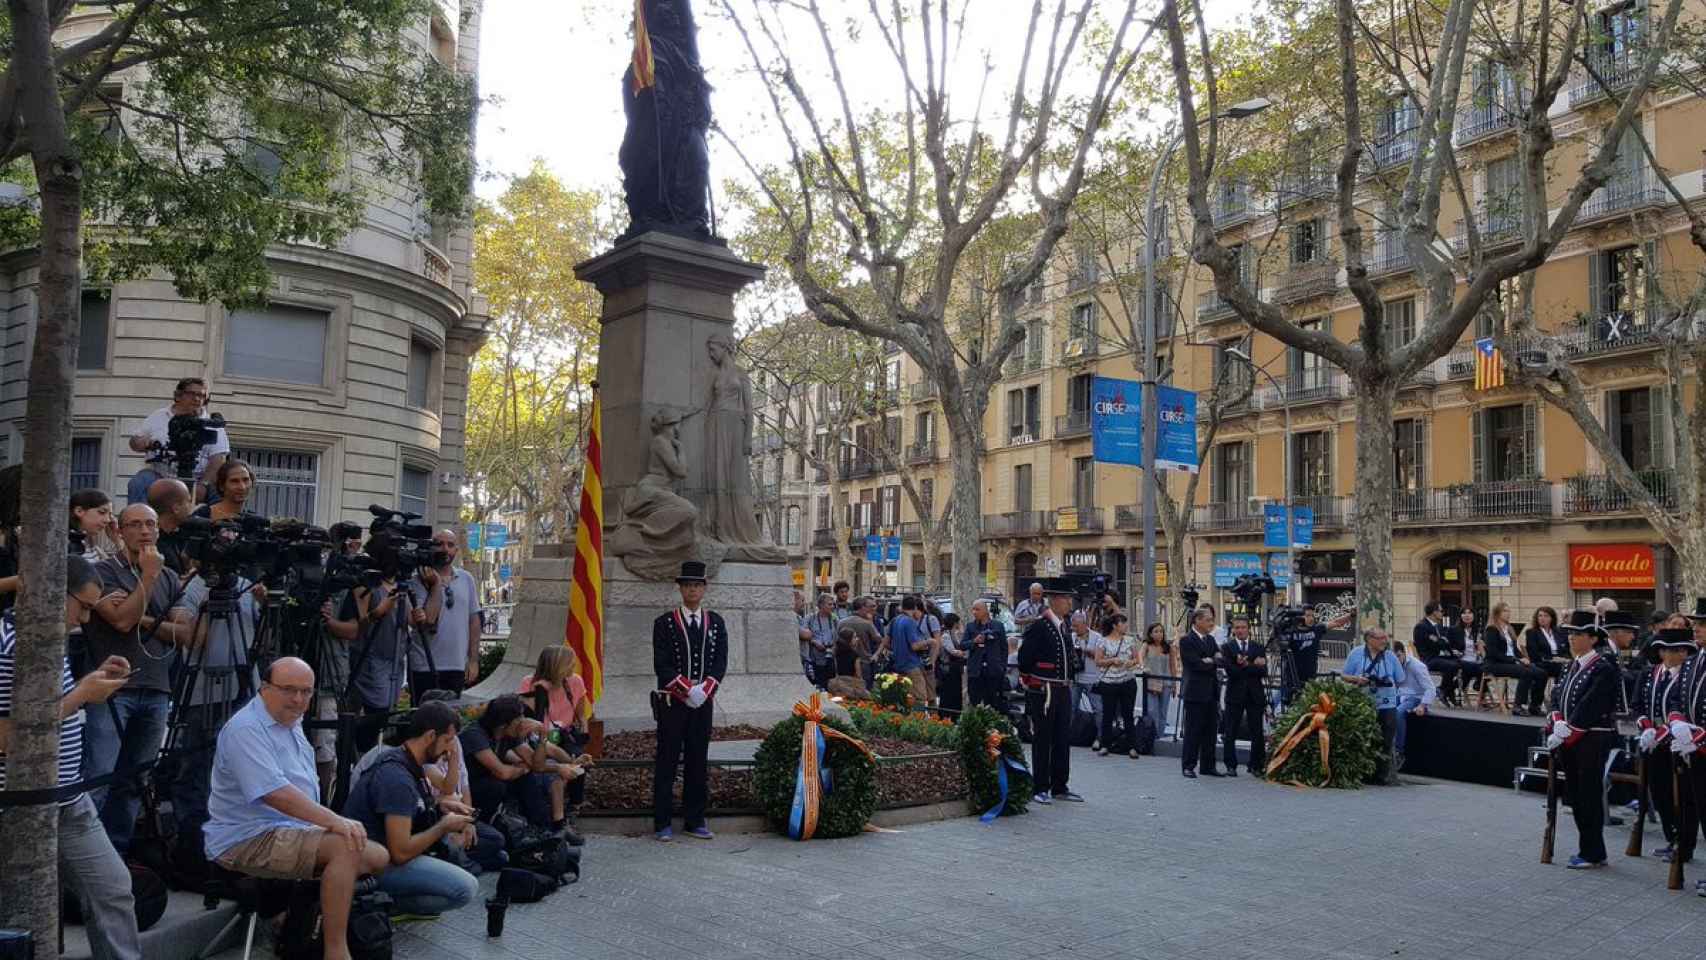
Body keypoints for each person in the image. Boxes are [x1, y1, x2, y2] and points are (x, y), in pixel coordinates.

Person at [0, 556, 142, 960]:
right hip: (21, 806)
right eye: (81, 606)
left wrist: (88, 682)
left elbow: (42, 709)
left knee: (114, 890)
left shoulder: (46, 637)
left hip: (67, 798)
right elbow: (8, 739)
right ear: (51, 593)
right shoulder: (10, 645)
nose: (83, 620)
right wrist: (82, 696)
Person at [205, 657, 389, 960]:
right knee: (346, 847)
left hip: (288, 830)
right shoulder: (246, 728)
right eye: (289, 689)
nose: (299, 699)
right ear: (264, 688)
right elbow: (275, 794)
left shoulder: (290, 720)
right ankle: (335, 952)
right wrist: (334, 821)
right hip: (247, 838)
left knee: (377, 855)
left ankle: (296, 918)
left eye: (306, 691)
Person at [84, 502, 188, 851]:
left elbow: (186, 634)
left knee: (134, 781)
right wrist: (147, 579)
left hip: (157, 689)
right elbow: (121, 622)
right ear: (120, 530)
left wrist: (141, 613)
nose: (144, 531)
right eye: (135, 524)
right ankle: (81, 861)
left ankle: (117, 855)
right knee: (99, 777)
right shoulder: (102, 571)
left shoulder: (170, 575)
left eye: (150, 524)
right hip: (112, 690)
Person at [163, 563, 267, 873]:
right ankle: (193, 843)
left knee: (239, 764)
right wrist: (210, 602)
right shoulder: (193, 586)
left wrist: (263, 604)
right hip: (201, 691)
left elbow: (261, 639)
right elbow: (192, 640)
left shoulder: (248, 583)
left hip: (243, 685)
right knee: (196, 765)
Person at [342, 701, 480, 917]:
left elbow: (411, 805)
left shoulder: (404, 758)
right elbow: (400, 852)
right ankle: (382, 903)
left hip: (379, 851)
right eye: (447, 741)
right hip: (372, 864)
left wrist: (438, 804)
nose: (449, 750)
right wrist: (443, 826)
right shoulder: (397, 778)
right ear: (430, 736)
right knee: (465, 888)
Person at [652, 560, 727, 841]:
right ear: (680, 589)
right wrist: (686, 689)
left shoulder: (716, 623)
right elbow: (662, 664)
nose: (692, 590)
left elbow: (720, 661)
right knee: (667, 761)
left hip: (703, 704)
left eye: (696, 585)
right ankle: (662, 823)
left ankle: (695, 820)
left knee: (698, 761)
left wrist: (704, 690)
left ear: (704, 588)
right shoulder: (665, 623)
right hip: (673, 704)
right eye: (687, 586)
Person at [1545, 615, 1624, 869]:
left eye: (1577, 634)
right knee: (1576, 794)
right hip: (1570, 737)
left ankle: (1593, 851)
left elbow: (1592, 705)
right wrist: (1557, 720)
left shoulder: (1603, 667)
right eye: (1569, 634)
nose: (1571, 638)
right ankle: (1588, 848)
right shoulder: (1570, 665)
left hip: (1591, 738)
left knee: (1588, 795)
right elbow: (1557, 696)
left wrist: (1568, 730)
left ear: (1592, 638)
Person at [462, 693, 584, 836]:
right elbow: (503, 772)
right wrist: (524, 768)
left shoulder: (510, 734)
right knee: (498, 786)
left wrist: (543, 736)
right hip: (471, 787)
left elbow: (536, 765)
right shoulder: (475, 735)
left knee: (527, 778)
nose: (523, 721)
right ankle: (490, 827)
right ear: (503, 724)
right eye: (518, 718)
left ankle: (545, 831)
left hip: (495, 778)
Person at [346, 529, 414, 752]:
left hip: (395, 658)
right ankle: (363, 754)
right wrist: (379, 611)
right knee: (378, 713)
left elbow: (410, 619)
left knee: (387, 712)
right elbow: (360, 626)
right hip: (370, 657)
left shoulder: (401, 584)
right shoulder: (367, 581)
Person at [1017, 580, 1083, 803]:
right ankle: (1040, 788)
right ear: (1055, 600)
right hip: (1044, 690)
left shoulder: (1063, 625)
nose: (1070, 603)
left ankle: (1060, 786)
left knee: (1062, 738)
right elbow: (1025, 659)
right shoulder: (1040, 626)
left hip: (1063, 689)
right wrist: (1033, 681)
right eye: (1067, 599)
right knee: (1043, 738)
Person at [1633, 629, 1692, 863]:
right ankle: (1671, 838)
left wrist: (1663, 731)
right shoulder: (1649, 674)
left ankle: (1684, 845)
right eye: (1667, 649)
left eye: (1678, 650)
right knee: (1659, 792)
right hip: (1651, 741)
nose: (1672, 654)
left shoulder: (1689, 676)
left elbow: (1687, 711)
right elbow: (1637, 705)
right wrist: (1646, 727)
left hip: (1680, 742)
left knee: (1683, 796)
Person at [127, 377, 229, 504]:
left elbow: (218, 460)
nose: (197, 399)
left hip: (198, 479)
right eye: (191, 394)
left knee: (223, 491)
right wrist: (141, 442)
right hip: (161, 476)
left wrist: (204, 484)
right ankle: (138, 520)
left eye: (201, 395)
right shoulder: (159, 416)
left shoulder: (212, 424)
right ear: (178, 396)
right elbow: (134, 442)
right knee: (139, 482)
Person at [410, 529, 483, 697]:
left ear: (456, 550)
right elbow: (427, 621)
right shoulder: (417, 580)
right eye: (439, 544)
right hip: (424, 665)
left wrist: (473, 661)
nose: (445, 549)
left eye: (450, 545)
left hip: (456, 665)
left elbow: (474, 621)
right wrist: (435, 585)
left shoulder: (467, 579)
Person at [1342, 627, 1404, 784]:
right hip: (1363, 704)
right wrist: (1357, 679)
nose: (1385, 641)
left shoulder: (1390, 656)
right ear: (1369, 639)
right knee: (1363, 739)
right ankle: (1363, 774)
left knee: (1386, 741)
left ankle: (1381, 776)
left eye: (1385, 637)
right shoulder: (1356, 653)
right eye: (1381, 638)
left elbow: (1400, 678)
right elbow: (1344, 675)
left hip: (1387, 704)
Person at [1217, 615, 1266, 776]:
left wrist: (1245, 664)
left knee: (1257, 732)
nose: (1240, 630)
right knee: (1230, 731)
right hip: (1234, 695)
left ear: (1248, 629)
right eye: (1237, 627)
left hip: (1255, 695)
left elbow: (1262, 671)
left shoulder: (1258, 647)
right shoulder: (1227, 647)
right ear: (1233, 630)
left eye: (1243, 627)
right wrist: (1252, 665)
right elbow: (1231, 671)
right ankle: (1231, 765)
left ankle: (1256, 765)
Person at [1179, 608, 1222, 779]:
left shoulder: (1210, 640)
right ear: (1197, 621)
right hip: (1195, 692)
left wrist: (1211, 660)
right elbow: (1195, 664)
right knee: (1193, 731)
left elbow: (1220, 660)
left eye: (1212, 620)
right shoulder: (1186, 640)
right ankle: (1188, 765)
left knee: (1211, 731)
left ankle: (1208, 765)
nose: (1211, 623)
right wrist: (1210, 660)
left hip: (1211, 692)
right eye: (1208, 620)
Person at [1484, 601, 1544, 716]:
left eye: (1509, 611)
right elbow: (1493, 653)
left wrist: (1523, 658)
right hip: (1495, 664)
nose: (1508, 613)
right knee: (1525, 672)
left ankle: (1535, 705)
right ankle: (1518, 706)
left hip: (1512, 662)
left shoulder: (1509, 628)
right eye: (1505, 611)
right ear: (1497, 613)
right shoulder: (1491, 629)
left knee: (1541, 673)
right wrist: (1515, 660)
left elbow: (1515, 650)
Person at [1092, 613, 1139, 758]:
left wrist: (1132, 662)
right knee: (1108, 714)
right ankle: (1105, 744)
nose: (1125, 626)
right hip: (1109, 682)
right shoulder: (1103, 641)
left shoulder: (1130, 640)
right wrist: (1112, 660)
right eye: (1123, 623)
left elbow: (1137, 658)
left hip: (1127, 681)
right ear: (1114, 625)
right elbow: (1098, 661)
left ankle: (1131, 746)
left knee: (1128, 714)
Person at [1391, 640, 1437, 770]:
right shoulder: (1392, 665)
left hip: (1416, 696)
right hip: (1400, 695)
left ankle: (1399, 751)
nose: (1396, 660)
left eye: (1398, 656)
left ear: (1403, 653)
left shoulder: (1417, 666)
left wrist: (1423, 705)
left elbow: (1430, 688)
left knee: (1398, 712)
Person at [1413, 602, 1462, 707]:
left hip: (1438, 656)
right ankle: (1443, 690)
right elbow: (1437, 644)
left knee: (1461, 663)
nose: (1442, 613)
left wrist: (1451, 650)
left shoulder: (1437, 626)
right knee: (1452, 665)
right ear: (1434, 612)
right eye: (1440, 611)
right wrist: (1443, 642)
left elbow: (1444, 641)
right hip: (1428, 659)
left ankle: (1447, 690)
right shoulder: (1422, 626)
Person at [964, 599, 1008, 711]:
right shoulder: (970, 626)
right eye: (973, 609)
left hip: (993, 670)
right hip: (976, 671)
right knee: (975, 702)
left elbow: (1004, 648)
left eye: (977, 609)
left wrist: (1002, 667)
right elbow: (963, 645)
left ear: (985, 611)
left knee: (993, 703)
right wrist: (974, 641)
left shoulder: (998, 626)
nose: (974, 612)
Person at [885, 595, 932, 700]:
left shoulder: (896, 620)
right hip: (911, 665)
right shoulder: (910, 622)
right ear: (915, 607)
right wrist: (929, 641)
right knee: (919, 697)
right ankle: (917, 716)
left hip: (897, 664)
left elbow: (886, 642)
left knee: (903, 697)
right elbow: (914, 646)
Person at [147, 477, 196, 576]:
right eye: (188, 501)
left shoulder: (176, 534)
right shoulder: (155, 546)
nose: (191, 506)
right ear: (176, 508)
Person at [1276, 605, 1324, 704]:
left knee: (1309, 704)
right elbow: (1277, 640)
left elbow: (1335, 623)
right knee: (1290, 703)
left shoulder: (1316, 629)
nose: (1311, 618)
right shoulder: (1290, 631)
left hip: (1310, 676)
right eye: (1307, 615)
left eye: (1312, 616)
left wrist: (1350, 615)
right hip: (1292, 677)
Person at [1070, 611, 1104, 748]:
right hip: (1075, 679)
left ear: (1085, 624)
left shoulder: (1097, 637)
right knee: (1070, 708)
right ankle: (1068, 735)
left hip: (1092, 678)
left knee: (1099, 709)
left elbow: (1102, 655)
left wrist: (1088, 651)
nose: (1074, 629)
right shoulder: (1071, 637)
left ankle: (1100, 738)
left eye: (1077, 626)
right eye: (1073, 626)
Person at [190, 458, 260, 522]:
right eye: (234, 481)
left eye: (246, 480)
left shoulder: (253, 520)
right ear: (221, 486)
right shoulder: (203, 515)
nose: (242, 487)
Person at [1141, 622, 1178, 735]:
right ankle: (1151, 735)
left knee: (1163, 711)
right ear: (1150, 634)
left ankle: (1159, 735)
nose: (1159, 634)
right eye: (1156, 631)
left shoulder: (1169, 647)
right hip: (1152, 682)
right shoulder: (1146, 645)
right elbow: (1140, 657)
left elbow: (1173, 666)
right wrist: (1143, 667)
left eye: (1161, 631)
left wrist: (1174, 684)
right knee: (1152, 710)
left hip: (1166, 682)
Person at [70, 488, 123, 565]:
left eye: (110, 514)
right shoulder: (69, 548)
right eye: (102, 512)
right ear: (79, 511)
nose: (108, 520)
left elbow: (121, 571)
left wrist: (116, 539)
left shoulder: (94, 549)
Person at [1525, 605, 1569, 693]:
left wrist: (1564, 658)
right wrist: (1552, 659)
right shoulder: (1532, 632)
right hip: (1542, 662)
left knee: (1569, 668)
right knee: (1562, 669)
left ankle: (1561, 695)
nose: (1542, 618)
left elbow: (1565, 649)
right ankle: (1554, 696)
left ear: (1551, 618)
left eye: (1546, 616)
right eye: (1540, 616)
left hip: (1559, 662)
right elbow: (1534, 653)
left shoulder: (1559, 632)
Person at [1451, 606, 1487, 706]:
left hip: (1476, 659)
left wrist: (1482, 648)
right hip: (1462, 659)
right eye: (1464, 613)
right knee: (1474, 668)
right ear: (1460, 616)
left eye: (1470, 613)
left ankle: (1452, 688)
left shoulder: (1478, 630)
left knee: (1487, 666)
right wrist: (1455, 651)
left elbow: (1484, 647)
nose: (1467, 615)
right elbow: (1449, 647)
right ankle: (1480, 688)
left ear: (1474, 616)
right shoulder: (1454, 630)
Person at [801, 592, 836, 690]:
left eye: (833, 604)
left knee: (830, 684)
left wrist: (833, 647)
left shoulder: (834, 618)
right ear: (821, 605)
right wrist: (814, 642)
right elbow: (803, 634)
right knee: (817, 685)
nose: (832, 606)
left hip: (830, 658)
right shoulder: (810, 618)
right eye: (829, 604)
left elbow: (838, 635)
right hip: (815, 657)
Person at [826, 626, 872, 700]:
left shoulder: (835, 653)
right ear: (849, 640)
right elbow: (858, 674)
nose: (857, 639)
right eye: (854, 637)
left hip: (838, 687)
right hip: (851, 688)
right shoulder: (855, 655)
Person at [936, 612, 966, 713]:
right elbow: (952, 651)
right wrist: (961, 653)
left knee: (956, 693)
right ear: (954, 623)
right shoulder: (945, 635)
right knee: (949, 693)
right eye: (958, 622)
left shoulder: (953, 634)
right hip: (949, 669)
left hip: (955, 669)